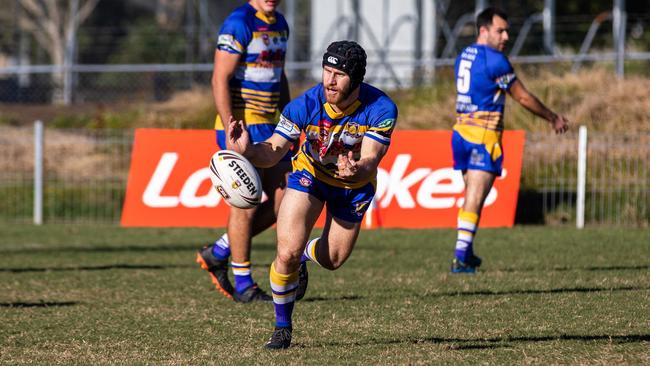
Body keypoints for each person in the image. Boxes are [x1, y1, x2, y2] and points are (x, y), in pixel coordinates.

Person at [227, 41, 398, 349]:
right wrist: (249, 150)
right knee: (286, 252)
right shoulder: (304, 105)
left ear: (357, 78)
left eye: (339, 75)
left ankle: (308, 255)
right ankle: (282, 327)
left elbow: (372, 158)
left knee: (333, 259)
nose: (329, 81)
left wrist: (358, 169)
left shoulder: (381, 108)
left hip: (353, 186)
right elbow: (274, 151)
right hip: (311, 175)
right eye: (326, 71)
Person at [450, 7, 569, 273]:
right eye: (500, 30)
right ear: (483, 31)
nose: (505, 36)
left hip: (460, 133)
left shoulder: (463, 55)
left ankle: (466, 253)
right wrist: (552, 117)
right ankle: (460, 256)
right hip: (483, 136)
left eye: (507, 31)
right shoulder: (496, 60)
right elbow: (523, 96)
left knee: (472, 194)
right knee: (475, 196)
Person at [196, 0, 292, 303]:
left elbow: (280, 75)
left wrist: (288, 120)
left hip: (270, 127)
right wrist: (230, 127)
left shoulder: (281, 23)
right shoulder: (238, 22)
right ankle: (243, 283)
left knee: (287, 200)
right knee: (246, 204)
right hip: (241, 127)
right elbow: (219, 78)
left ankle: (220, 251)